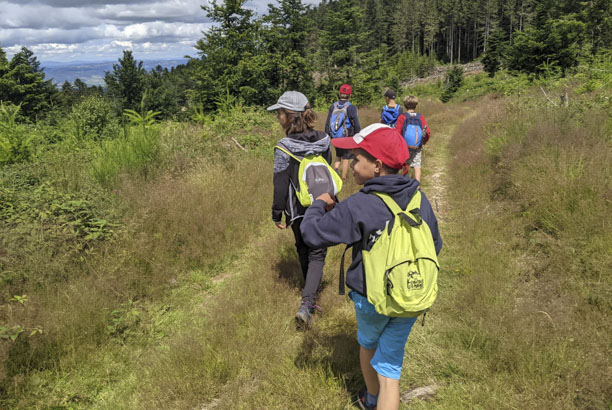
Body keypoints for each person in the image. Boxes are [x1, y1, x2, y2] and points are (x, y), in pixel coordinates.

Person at [300, 124, 442, 410]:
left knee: (368, 343)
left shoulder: (359, 205)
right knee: (390, 367)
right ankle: (382, 395)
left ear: (377, 166)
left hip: (371, 297)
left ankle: (372, 398)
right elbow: (435, 245)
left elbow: (312, 233)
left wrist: (318, 203)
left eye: (357, 158)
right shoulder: (419, 197)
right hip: (411, 295)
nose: (351, 165)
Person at [267, 91, 332, 328]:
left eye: (279, 113)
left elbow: (280, 182)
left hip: (296, 209)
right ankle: (309, 300)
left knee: (303, 249)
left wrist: (277, 212)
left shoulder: (284, 147)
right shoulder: (324, 139)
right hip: (321, 202)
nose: (277, 117)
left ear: (288, 115)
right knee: (317, 253)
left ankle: (308, 299)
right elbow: (326, 171)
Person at [325, 83, 361, 181]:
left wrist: (328, 136)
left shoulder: (333, 106)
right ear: (350, 95)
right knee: (346, 158)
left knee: (338, 156)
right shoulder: (351, 107)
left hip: (335, 137)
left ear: (339, 94)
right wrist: (358, 136)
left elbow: (328, 123)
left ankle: (335, 172)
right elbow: (356, 124)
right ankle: (343, 178)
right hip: (346, 137)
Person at [394, 95, 430, 184]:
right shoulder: (420, 117)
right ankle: (417, 185)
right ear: (416, 105)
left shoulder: (402, 117)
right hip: (417, 146)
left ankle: (405, 183)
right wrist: (423, 142)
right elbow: (427, 131)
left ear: (405, 105)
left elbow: (397, 132)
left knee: (405, 164)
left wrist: (397, 145)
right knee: (417, 165)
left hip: (404, 147)